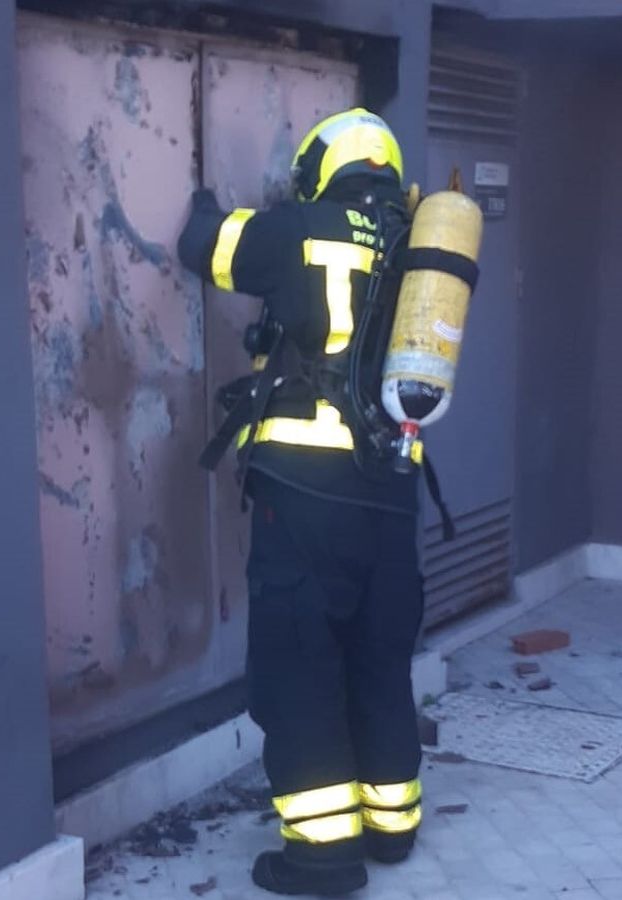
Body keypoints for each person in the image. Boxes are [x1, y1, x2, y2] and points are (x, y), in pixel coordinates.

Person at [177, 109, 426, 897]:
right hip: (392, 494)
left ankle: (322, 857)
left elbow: (208, 253)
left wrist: (205, 208)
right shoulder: (418, 246)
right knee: (380, 656)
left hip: (305, 494)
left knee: (303, 663)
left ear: (322, 165)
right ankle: (393, 827)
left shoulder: (297, 227)